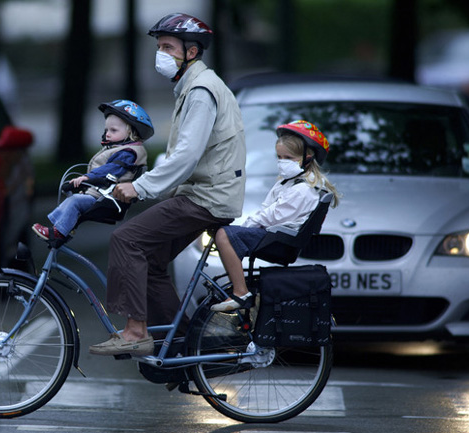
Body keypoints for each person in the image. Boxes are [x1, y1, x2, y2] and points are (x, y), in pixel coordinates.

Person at [89, 13, 246, 357]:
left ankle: (134, 331)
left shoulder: (202, 91)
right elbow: (185, 157)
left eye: (167, 47)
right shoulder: (192, 88)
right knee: (151, 261)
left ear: (191, 52)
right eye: (159, 47)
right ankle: (181, 346)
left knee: (127, 239)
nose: (160, 54)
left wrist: (141, 188)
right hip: (202, 193)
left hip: (206, 197)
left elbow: (187, 156)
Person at [211, 120, 341, 312]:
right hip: (273, 235)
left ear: (308, 157)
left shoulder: (303, 190)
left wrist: (246, 227)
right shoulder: (287, 183)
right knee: (225, 233)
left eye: (288, 157)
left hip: (279, 240)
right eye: (279, 157)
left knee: (224, 235)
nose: (282, 162)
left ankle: (241, 292)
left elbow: (271, 217)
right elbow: (267, 210)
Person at [32, 100, 153, 240]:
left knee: (76, 201)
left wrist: (87, 178)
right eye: (106, 130)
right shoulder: (122, 149)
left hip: (107, 198)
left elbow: (111, 170)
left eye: (113, 130)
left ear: (131, 132)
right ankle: (60, 227)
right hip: (101, 194)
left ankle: (57, 232)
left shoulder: (128, 153)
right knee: (74, 199)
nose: (107, 134)